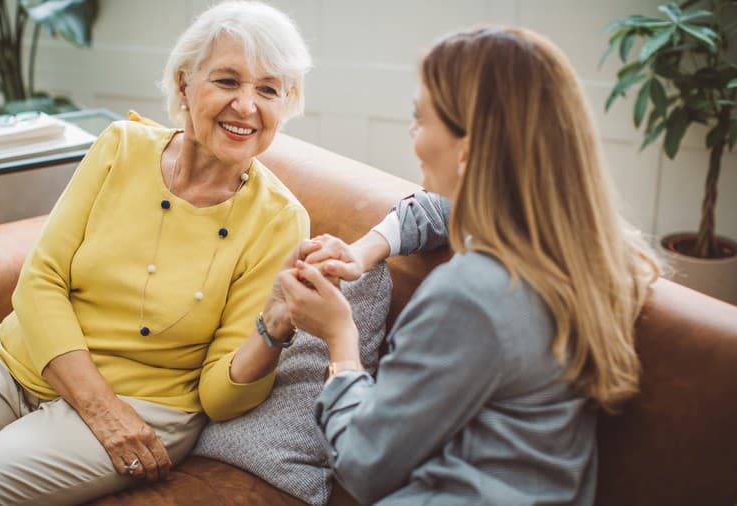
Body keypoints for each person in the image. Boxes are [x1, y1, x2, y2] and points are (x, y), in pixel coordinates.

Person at [0, 2, 313, 505]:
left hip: (145, 403)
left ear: (284, 104)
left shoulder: (278, 220)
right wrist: (96, 404)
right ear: (184, 85)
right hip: (23, 361)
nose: (246, 106)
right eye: (227, 81)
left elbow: (219, 399)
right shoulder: (121, 147)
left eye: (268, 89)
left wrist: (273, 331)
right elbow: (40, 279)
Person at [279, 27, 661, 505]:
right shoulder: (580, 245)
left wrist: (340, 340)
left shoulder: (470, 295)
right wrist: (364, 251)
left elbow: (363, 464)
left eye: (421, 118)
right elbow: (443, 210)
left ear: (469, 146)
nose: (413, 133)